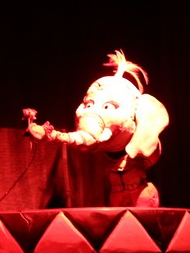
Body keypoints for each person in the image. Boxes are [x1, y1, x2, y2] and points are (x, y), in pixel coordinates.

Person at [22, 50, 169, 207]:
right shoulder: (105, 146)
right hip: (116, 195)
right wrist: (51, 135)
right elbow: (82, 139)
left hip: (140, 194)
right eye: (88, 104)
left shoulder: (143, 138)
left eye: (108, 107)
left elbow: (151, 149)